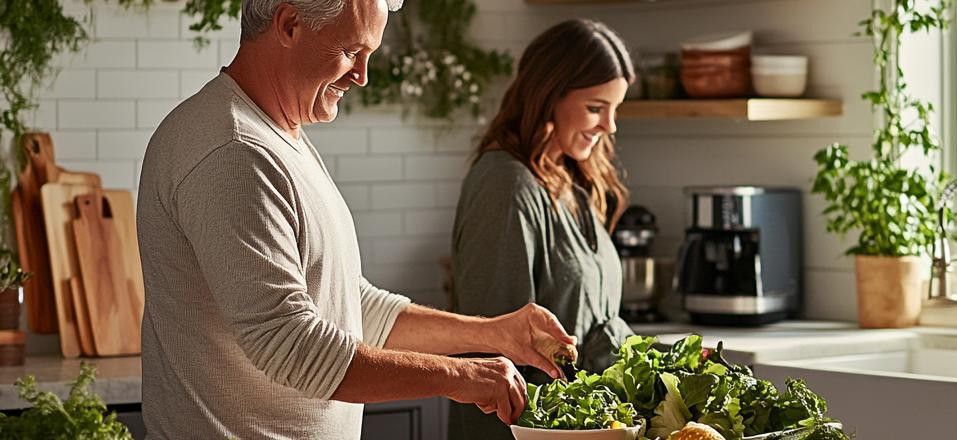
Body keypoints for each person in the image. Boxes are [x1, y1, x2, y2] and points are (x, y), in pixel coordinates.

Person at [136, 1, 576, 438]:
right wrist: (461, 377)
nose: (362, 75)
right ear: (289, 24)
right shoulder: (233, 153)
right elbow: (290, 343)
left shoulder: (277, 135)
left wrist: (496, 333)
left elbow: (345, 304)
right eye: (351, 51)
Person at [448, 18, 637, 439]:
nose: (610, 126)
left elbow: (595, 328)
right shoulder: (506, 186)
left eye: (615, 108)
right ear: (548, 95)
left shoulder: (571, 178)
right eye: (595, 107)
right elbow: (495, 351)